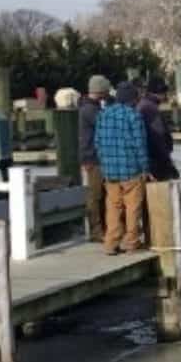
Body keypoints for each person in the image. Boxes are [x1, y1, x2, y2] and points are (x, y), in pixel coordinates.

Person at [94, 82, 150, 254]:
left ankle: (111, 242)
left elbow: (97, 143)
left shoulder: (103, 114)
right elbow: (140, 145)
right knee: (133, 207)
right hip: (131, 169)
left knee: (113, 206)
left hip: (110, 171)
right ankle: (131, 242)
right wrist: (145, 168)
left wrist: (104, 163)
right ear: (132, 99)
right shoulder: (134, 116)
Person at [79, 74, 112, 242]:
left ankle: (103, 228)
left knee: (102, 194)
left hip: (97, 157)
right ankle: (96, 230)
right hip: (93, 158)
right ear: (100, 90)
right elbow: (105, 124)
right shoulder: (90, 110)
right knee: (95, 195)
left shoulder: (94, 107)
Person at [138, 76, 179, 181]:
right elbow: (158, 136)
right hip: (155, 160)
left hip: (148, 157)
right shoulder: (150, 109)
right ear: (161, 92)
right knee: (160, 192)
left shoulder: (143, 105)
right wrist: (167, 161)